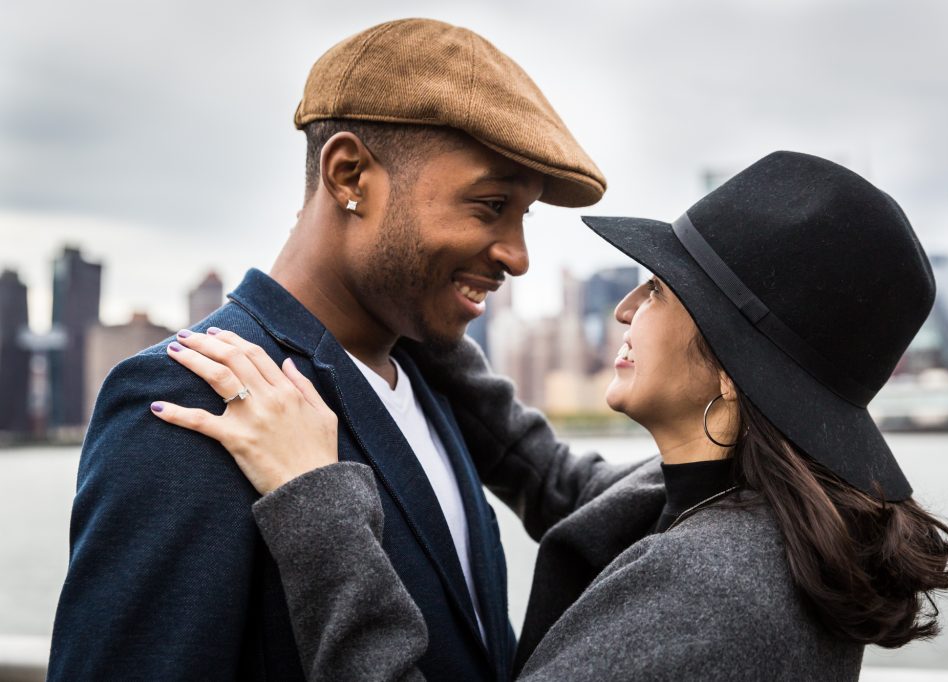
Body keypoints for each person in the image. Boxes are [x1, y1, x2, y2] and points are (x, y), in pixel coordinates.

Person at [153, 151, 948, 680]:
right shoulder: (748, 518)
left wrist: (315, 500)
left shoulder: (712, 597)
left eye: (660, 288)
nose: (627, 308)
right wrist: (411, 296)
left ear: (733, 369)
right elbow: (544, 472)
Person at [47, 18, 605, 681]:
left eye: (525, 217)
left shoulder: (431, 382)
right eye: (489, 206)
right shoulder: (198, 395)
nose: (518, 256)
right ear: (349, 175)